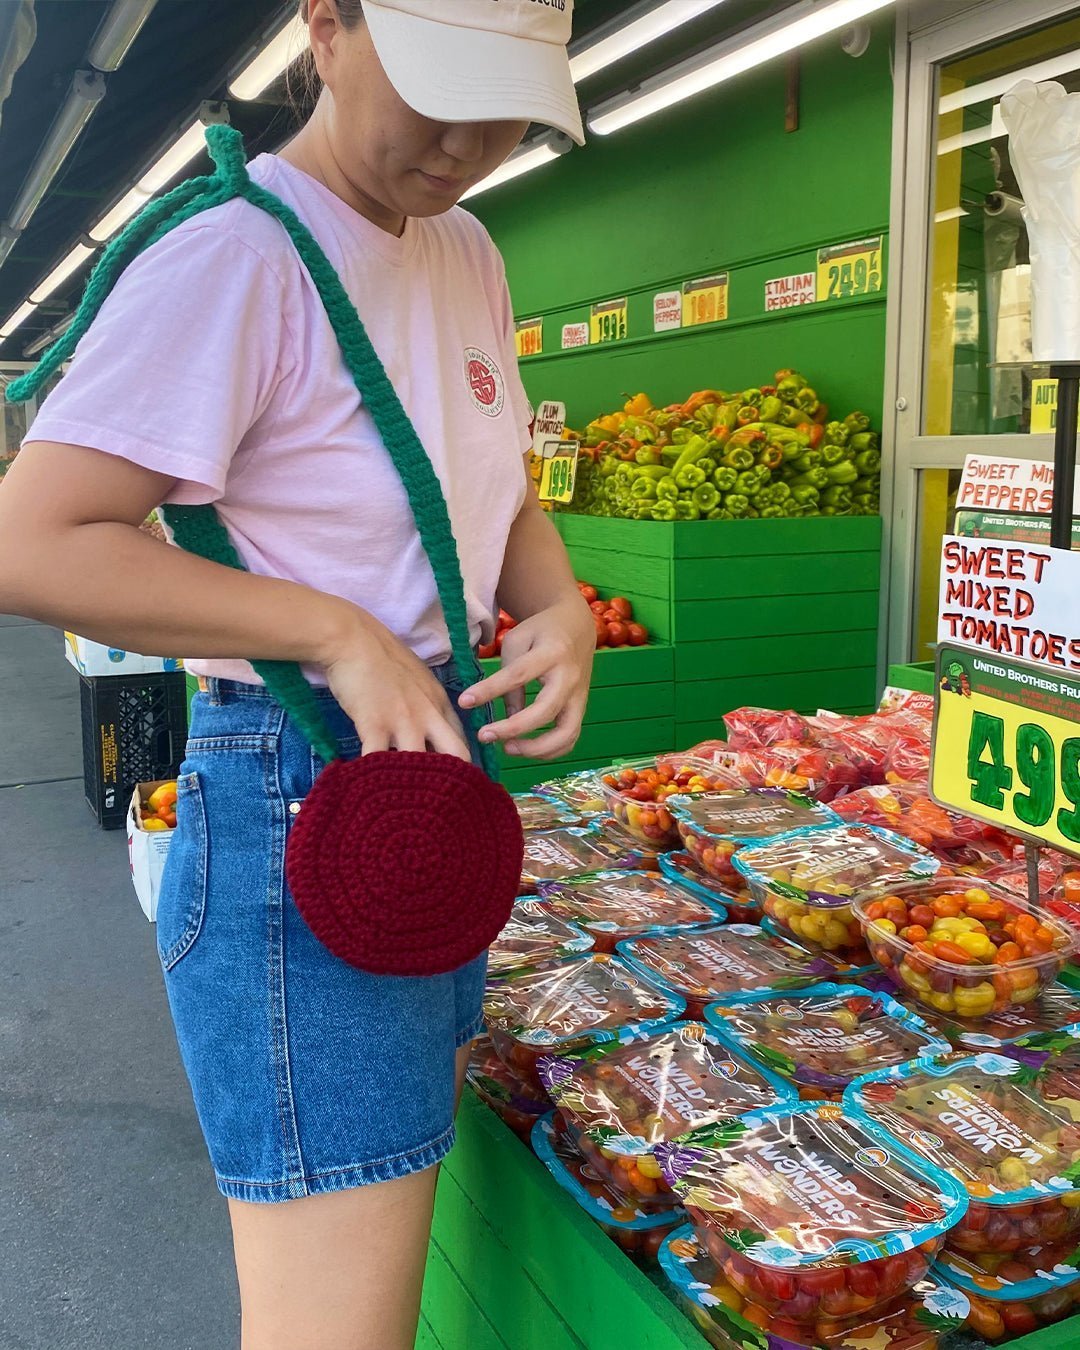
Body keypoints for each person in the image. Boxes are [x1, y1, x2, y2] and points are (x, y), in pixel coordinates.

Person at [0, 2, 593, 1347]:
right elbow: (30, 539)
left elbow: (495, 494)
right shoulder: (235, 262)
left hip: (433, 788)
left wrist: (557, 608)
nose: (467, 140)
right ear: (325, 21)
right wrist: (331, 627)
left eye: (505, 103)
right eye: (440, 87)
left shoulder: (470, 251)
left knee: (386, 1249)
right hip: (294, 796)